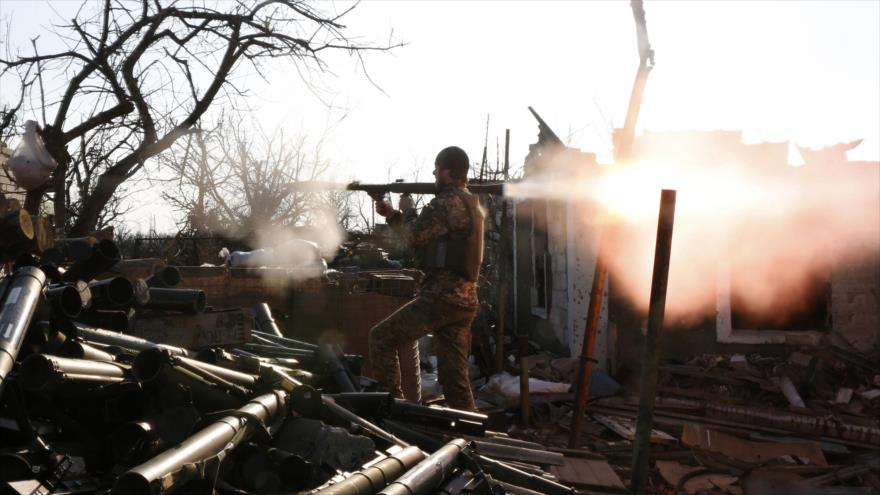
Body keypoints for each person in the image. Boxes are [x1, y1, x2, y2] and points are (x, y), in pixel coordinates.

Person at [369, 146, 484, 411]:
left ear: (448, 171)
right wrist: (392, 215)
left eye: (437, 168)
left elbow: (413, 237)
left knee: (381, 338)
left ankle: (391, 410)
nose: (433, 172)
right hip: (463, 300)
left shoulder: (445, 203)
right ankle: (468, 432)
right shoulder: (471, 203)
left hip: (441, 298)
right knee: (454, 379)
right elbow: (427, 234)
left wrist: (406, 211)